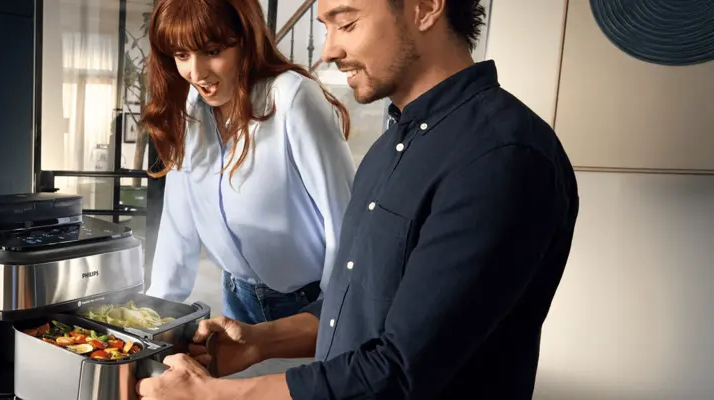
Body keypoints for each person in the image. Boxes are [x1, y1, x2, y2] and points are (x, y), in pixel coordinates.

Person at [137, 0, 580, 398]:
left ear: (425, 8)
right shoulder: (394, 147)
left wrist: (214, 397)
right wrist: (261, 341)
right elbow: (354, 307)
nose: (328, 50)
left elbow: (400, 370)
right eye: (325, 27)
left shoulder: (502, 157)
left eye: (346, 24)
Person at [141, 0, 356, 326]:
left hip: (305, 305)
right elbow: (178, 225)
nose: (196, 73)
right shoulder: (190, 107)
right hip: (235, 299)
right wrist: (154, 318)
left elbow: (343, 219)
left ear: (246, 40)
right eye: (182, 55)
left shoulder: (293, 98)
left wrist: (330, 315)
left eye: (212, 51)